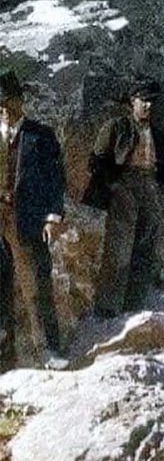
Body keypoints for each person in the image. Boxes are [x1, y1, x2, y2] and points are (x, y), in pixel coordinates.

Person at [84, 79, 164, 317]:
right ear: (133, 101)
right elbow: (97, 161)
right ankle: (108, 308)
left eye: (152, 101)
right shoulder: (117, 126)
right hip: (124, 184)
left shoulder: (157, 133)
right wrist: (113, 185)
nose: (148, 106)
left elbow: (163, 166)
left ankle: (135, 306)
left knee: (146, 248)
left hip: (149, 185)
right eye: (144, 100)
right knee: (119, 248)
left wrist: (163, 190)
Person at [0, 70, 66, 368]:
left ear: (19, 101)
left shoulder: (42, 136)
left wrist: (52, 217)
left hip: (26, 221)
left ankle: (48, 351)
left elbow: (55, 181)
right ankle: (4, 358)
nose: (1, 108)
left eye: (6, 101)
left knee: (36, 288)